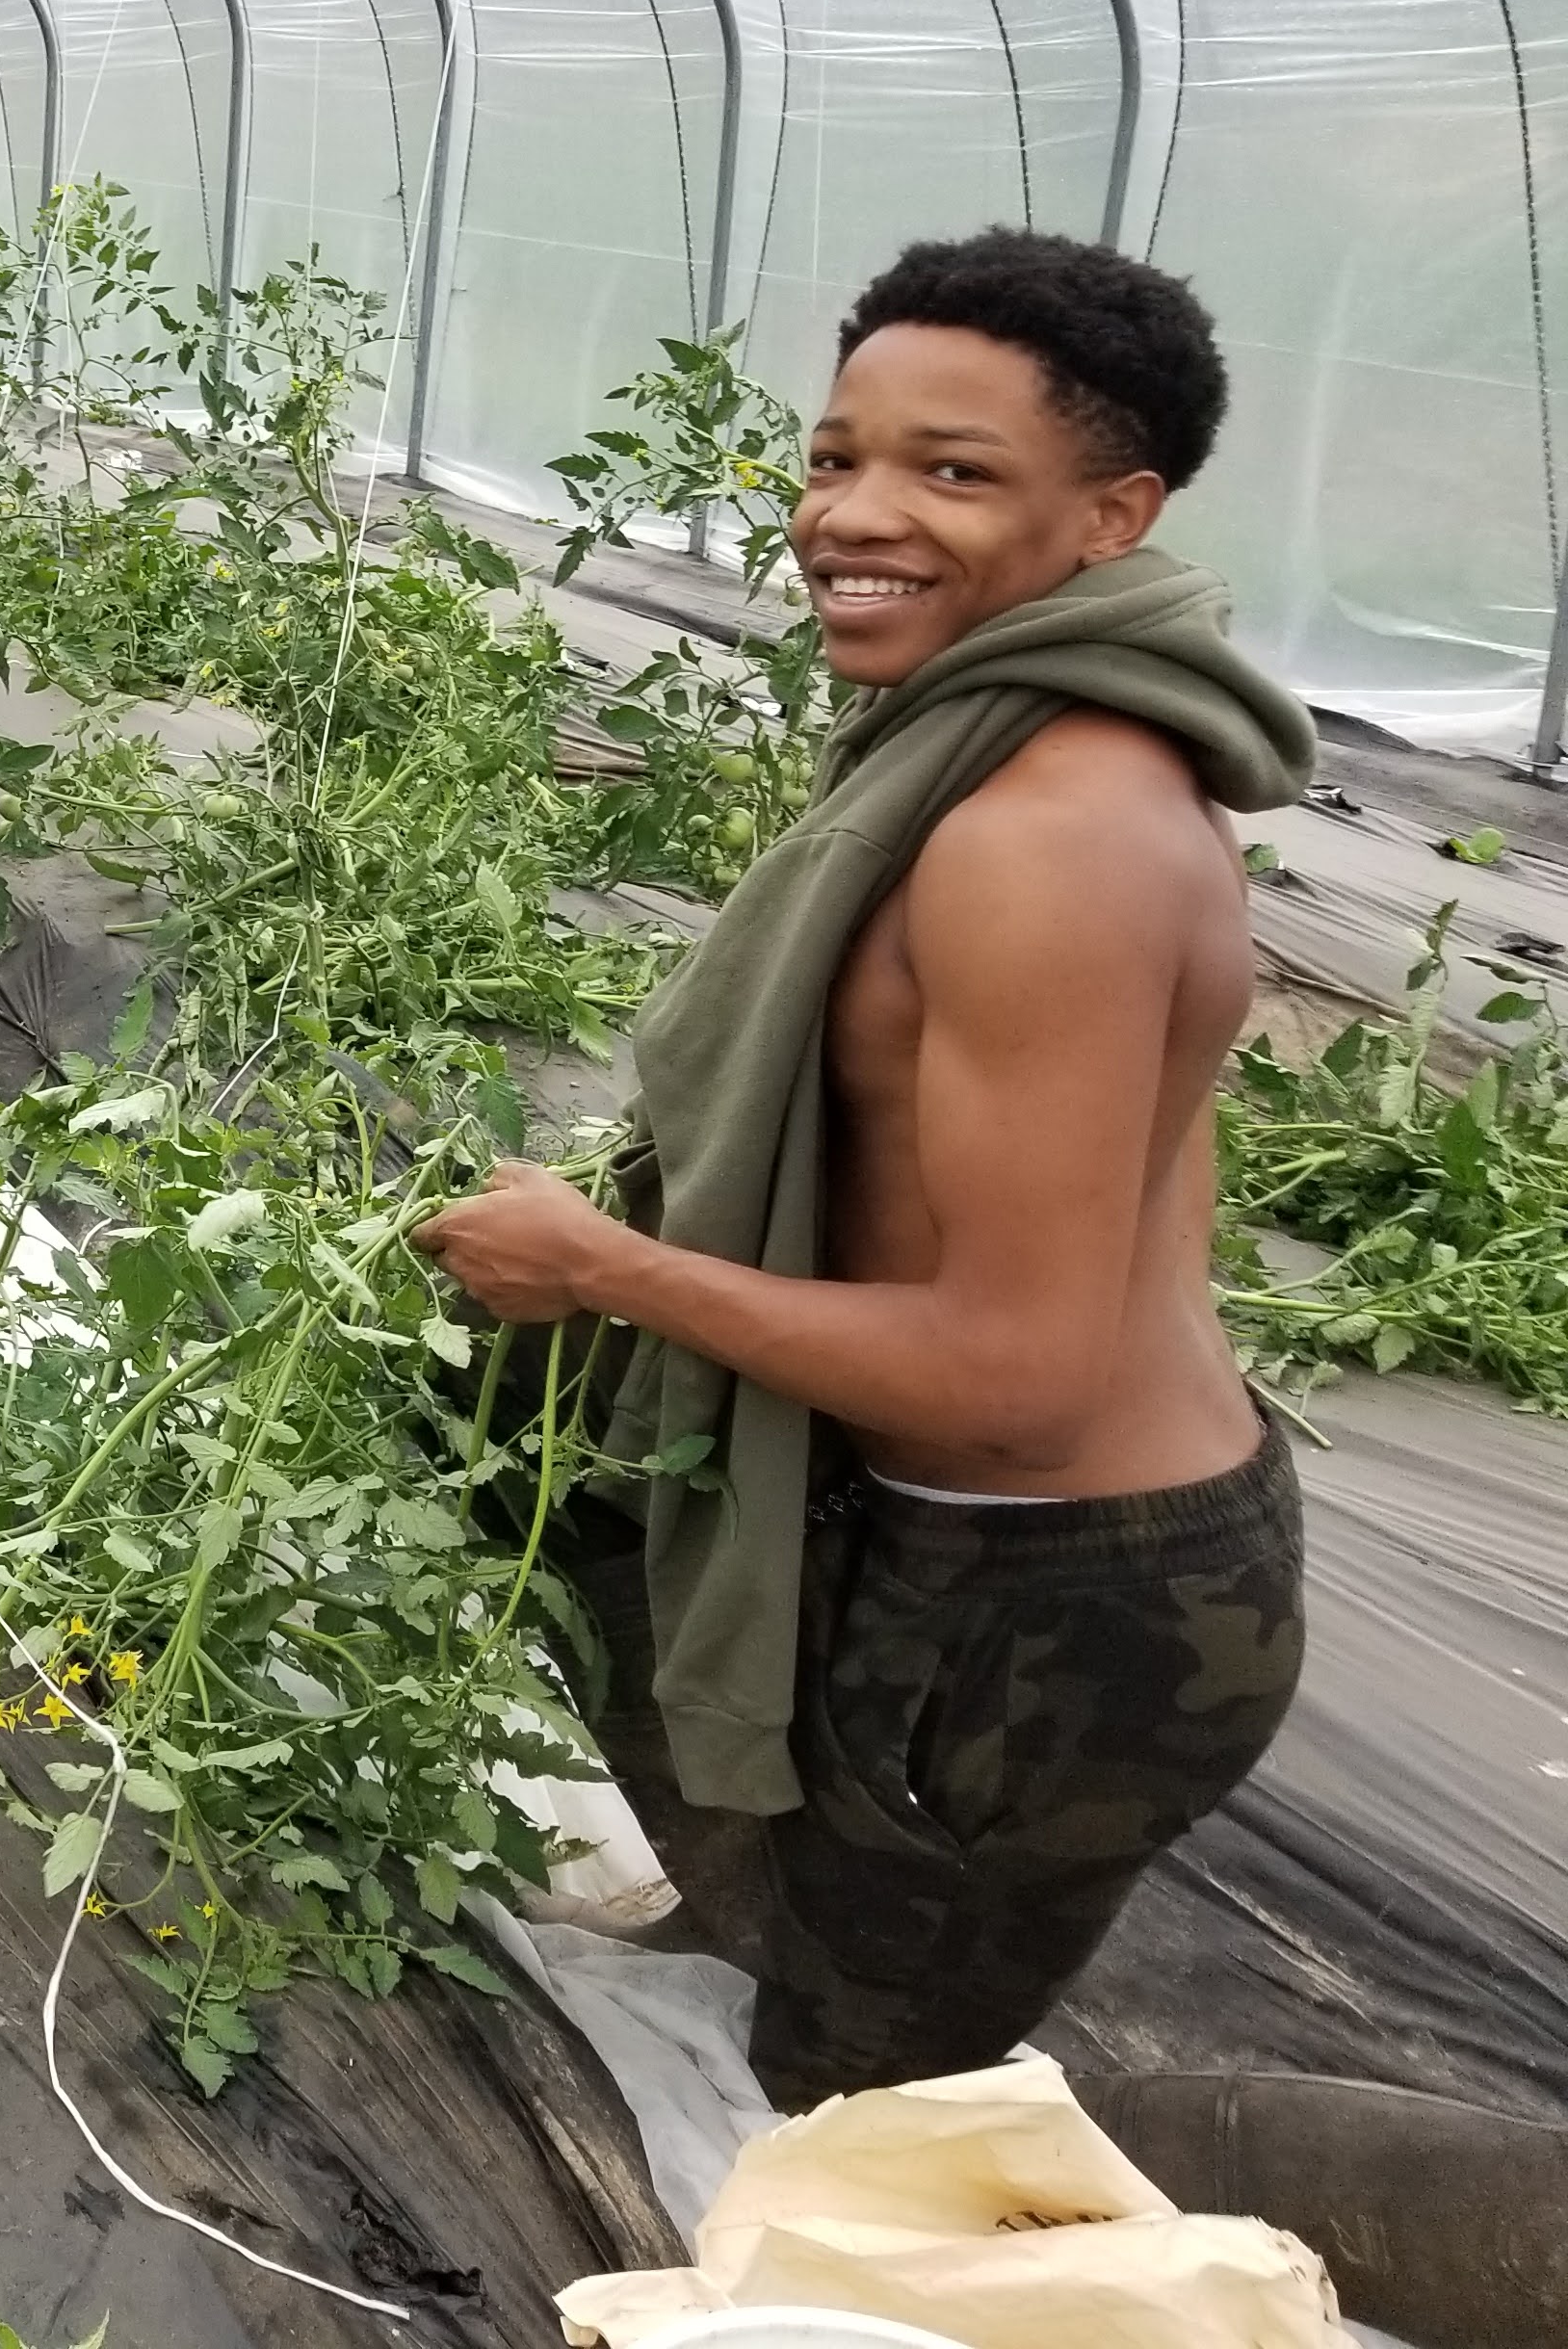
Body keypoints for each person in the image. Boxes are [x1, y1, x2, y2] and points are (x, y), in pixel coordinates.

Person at [411, 229, 1317, 2110]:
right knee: (579, 1534)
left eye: (954, 472)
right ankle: (758, 1935)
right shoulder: (978, 746)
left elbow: (1018, 1376)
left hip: (1051, 1609)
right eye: (838, 459)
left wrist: (609, 1269)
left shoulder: (1046, 842)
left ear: (1111, 514)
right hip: (957, 1524)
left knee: (861, 2108)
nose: (855, 515)